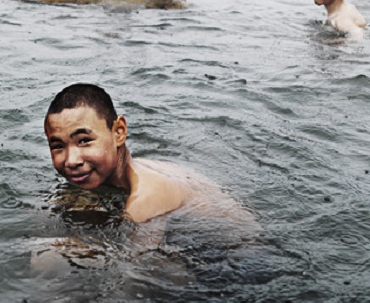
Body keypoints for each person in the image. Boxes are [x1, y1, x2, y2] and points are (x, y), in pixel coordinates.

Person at [43, 83, 245, 224]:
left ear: (119, 132)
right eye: (58, 146)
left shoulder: (146, 199)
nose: (71, 161)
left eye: (84, 141)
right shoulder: (132, 172)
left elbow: (133, 277)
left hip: (240, 264)